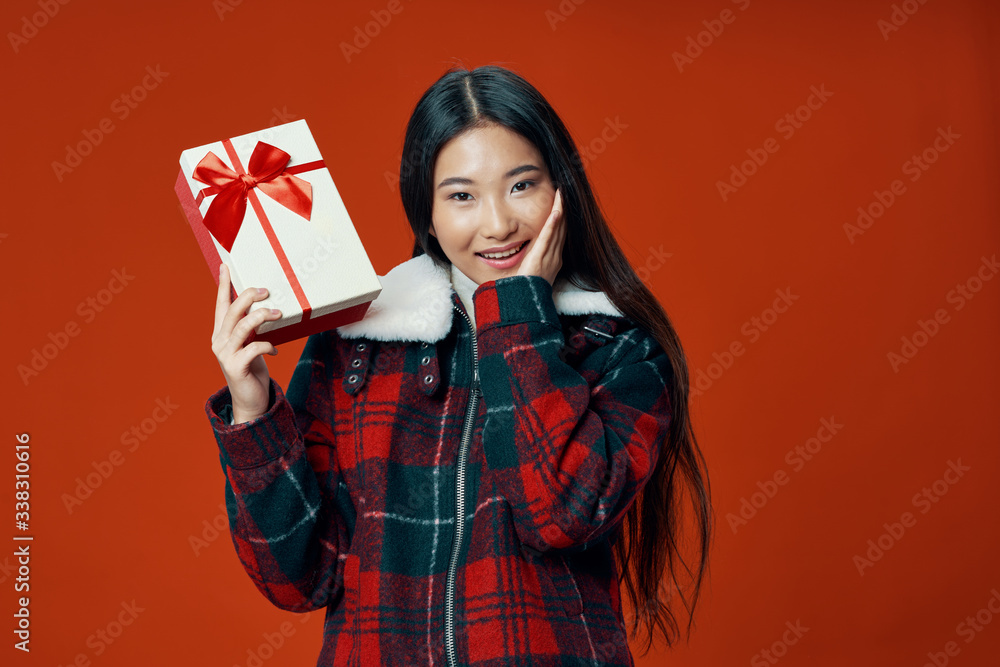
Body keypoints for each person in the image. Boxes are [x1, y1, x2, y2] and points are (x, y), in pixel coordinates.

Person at [206, 64, 712, 666]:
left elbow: (559, 515)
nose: (498, 224)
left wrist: (518, 315)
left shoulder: (620, 348)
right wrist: (253, 412)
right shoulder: (359, 342)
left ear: (562, 190)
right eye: (462, 196)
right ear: (427, 213)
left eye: (522, 185)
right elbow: (299, 580)